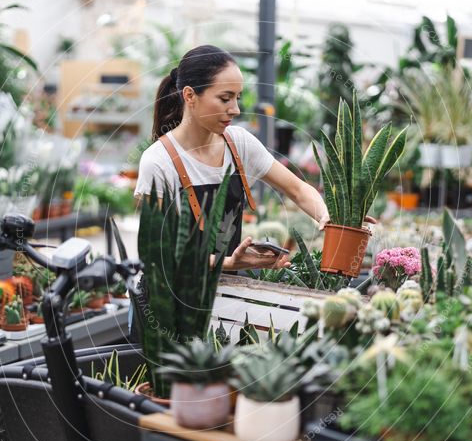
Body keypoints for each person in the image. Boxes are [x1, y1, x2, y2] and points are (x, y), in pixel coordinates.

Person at [134, 45, 333, 272]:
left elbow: (297, 189)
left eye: (237, 98)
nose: (236, 109)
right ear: (190, 96)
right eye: (225, 98)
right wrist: (228, 262)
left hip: (230, 299)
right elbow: (159, 255)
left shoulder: (238, 143)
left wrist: (326, 215)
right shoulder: (159, 161)